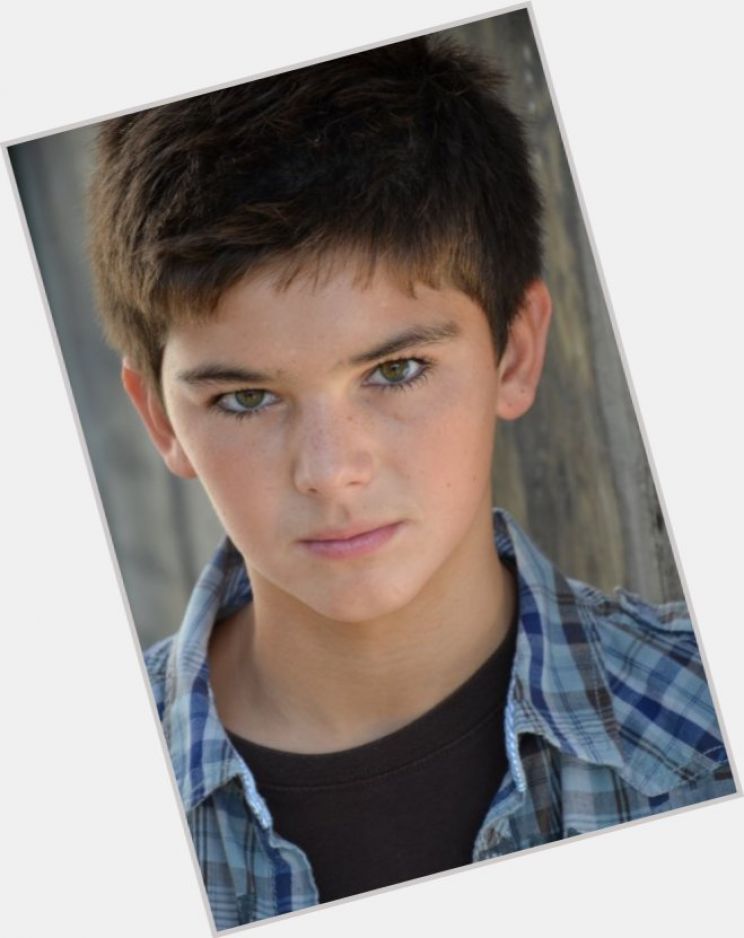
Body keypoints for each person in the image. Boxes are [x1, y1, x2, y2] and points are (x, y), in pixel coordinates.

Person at [88, 36, 734, 931]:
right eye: (245, 398)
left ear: (515, 352)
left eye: (395, 372)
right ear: (160, 420)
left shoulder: (708, 723)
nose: (330, 471)